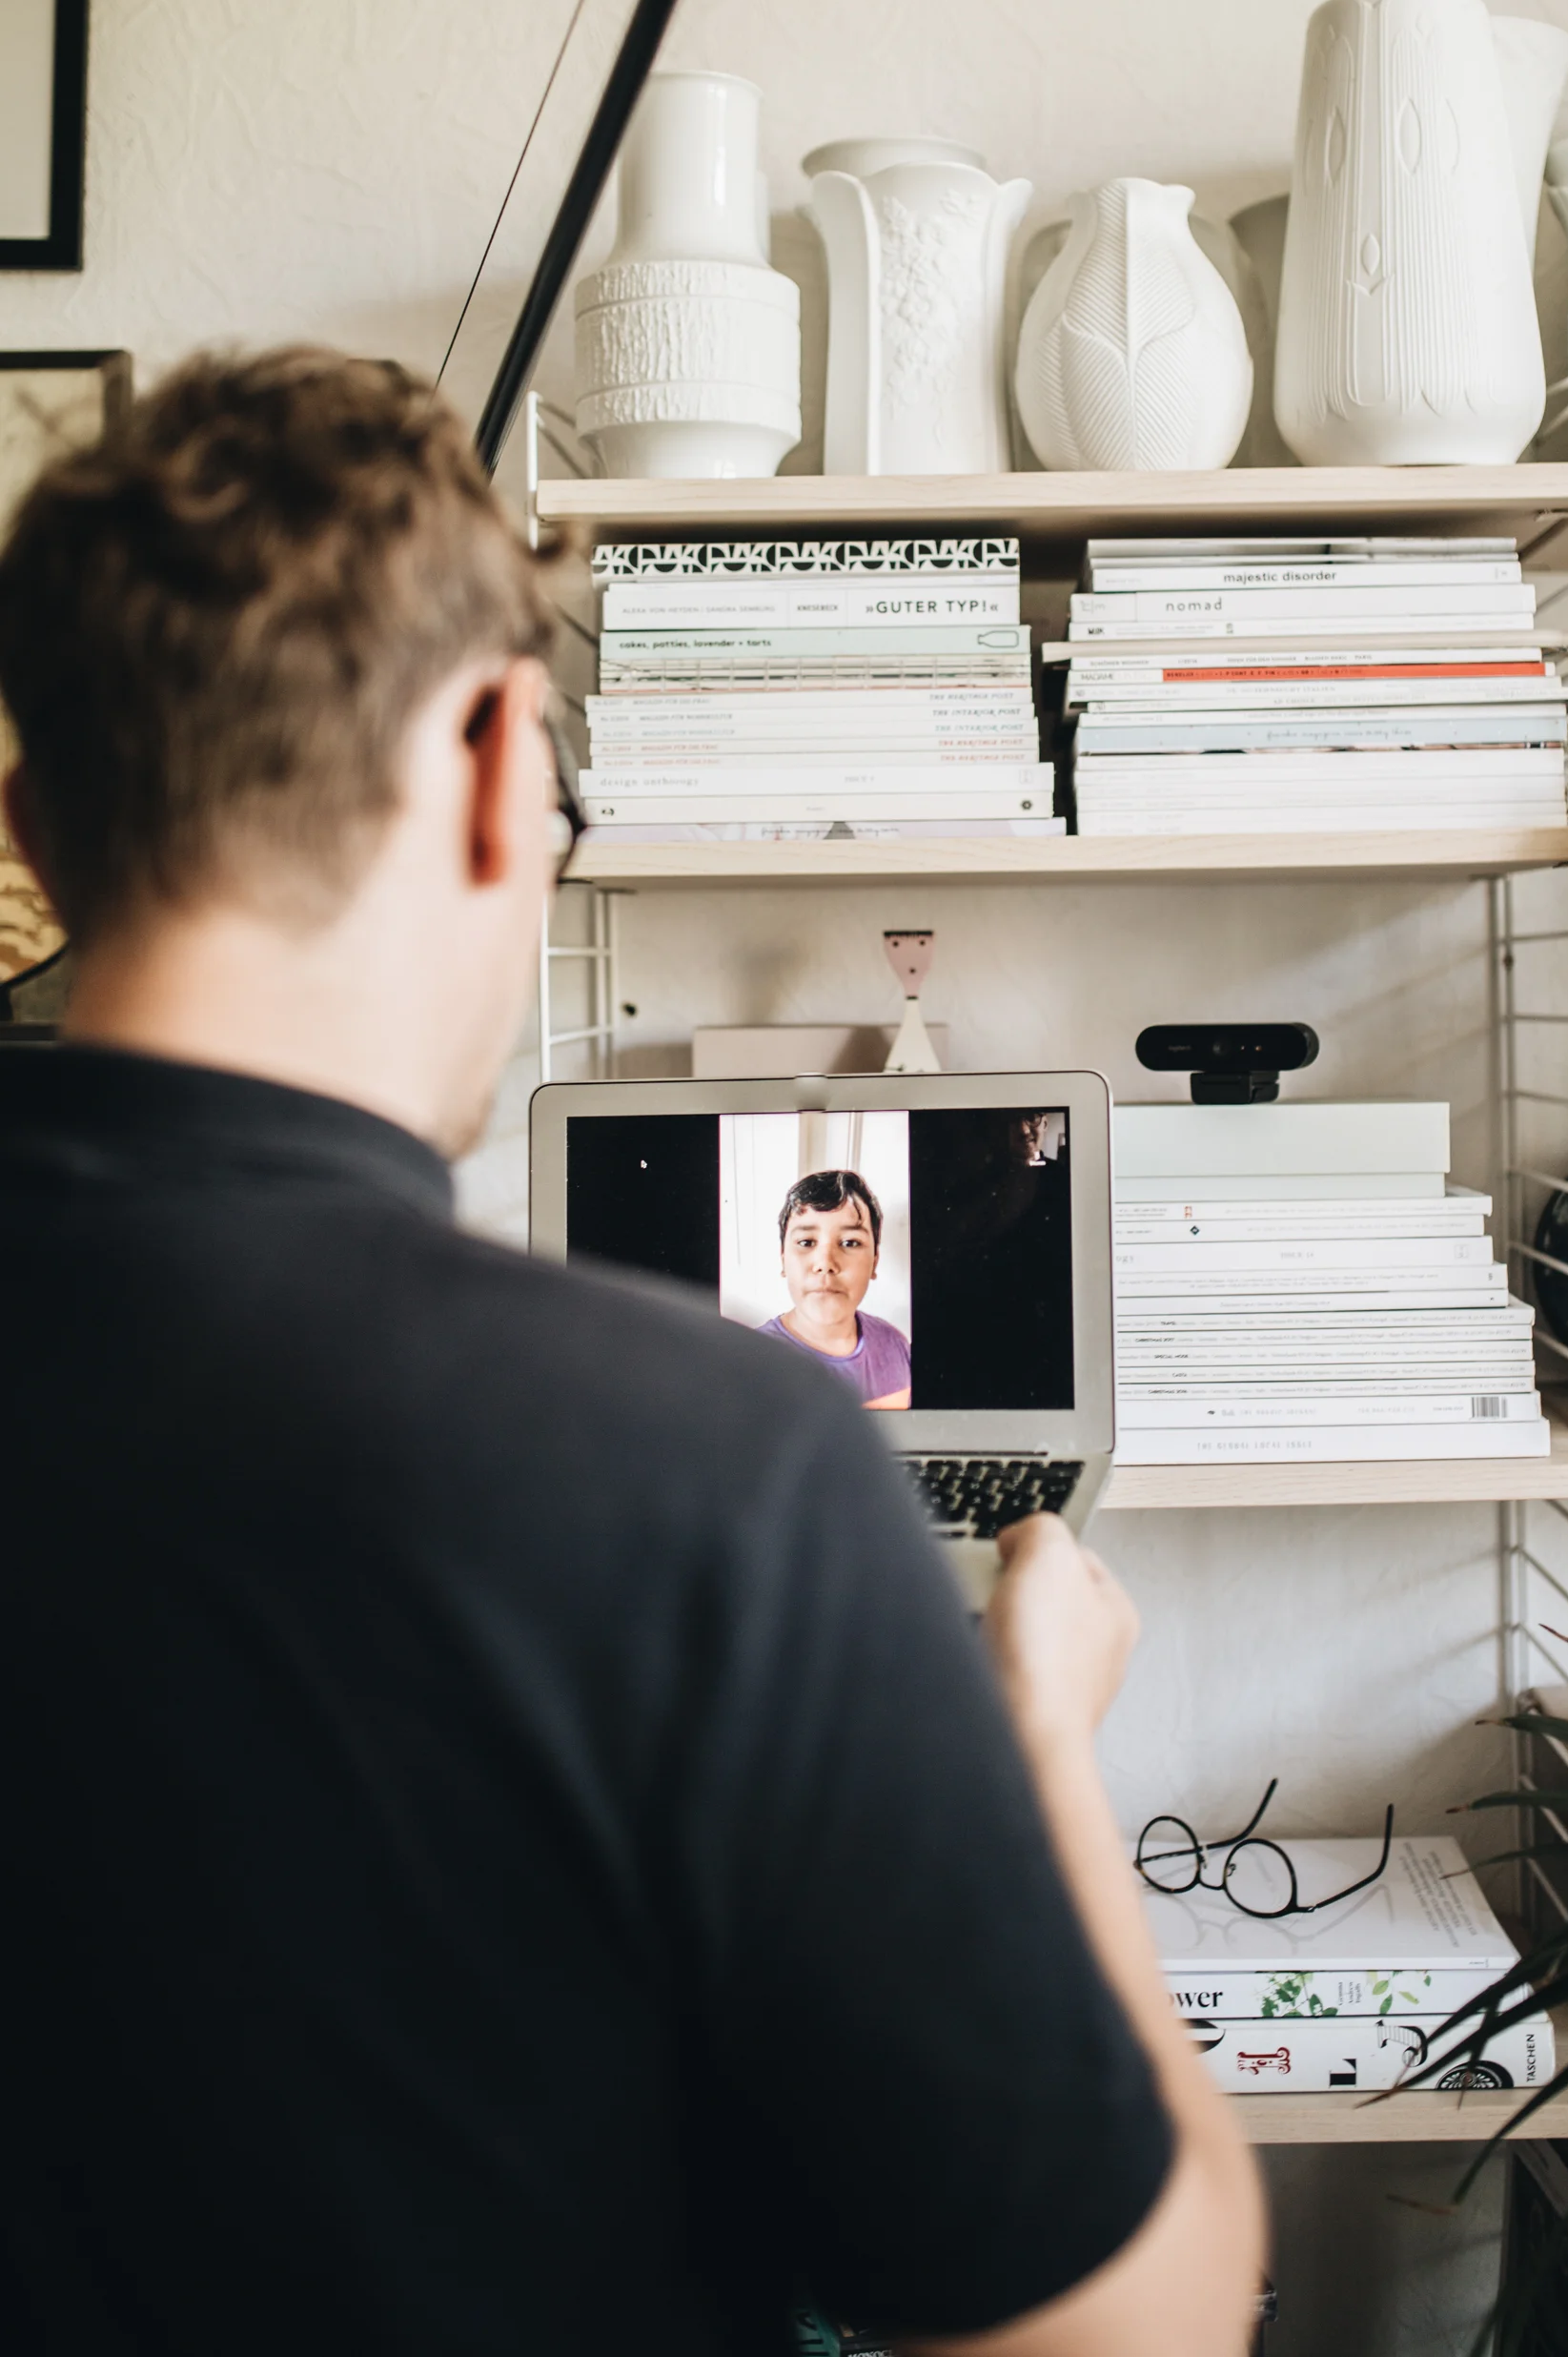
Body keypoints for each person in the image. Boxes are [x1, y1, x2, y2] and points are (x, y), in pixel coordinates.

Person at [0, 350, 1261, 2357]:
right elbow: (1119, 2338)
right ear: (504, 764)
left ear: (35, 831)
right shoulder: (716, 1470)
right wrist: (1038, 1744)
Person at [759, 1165, 912, 1409]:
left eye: (850, 1242)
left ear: (874, 1262)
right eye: (806, 1242)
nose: (825, 1264)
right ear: (783, 1260)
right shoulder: (750, 1361)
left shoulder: (896, 1345)